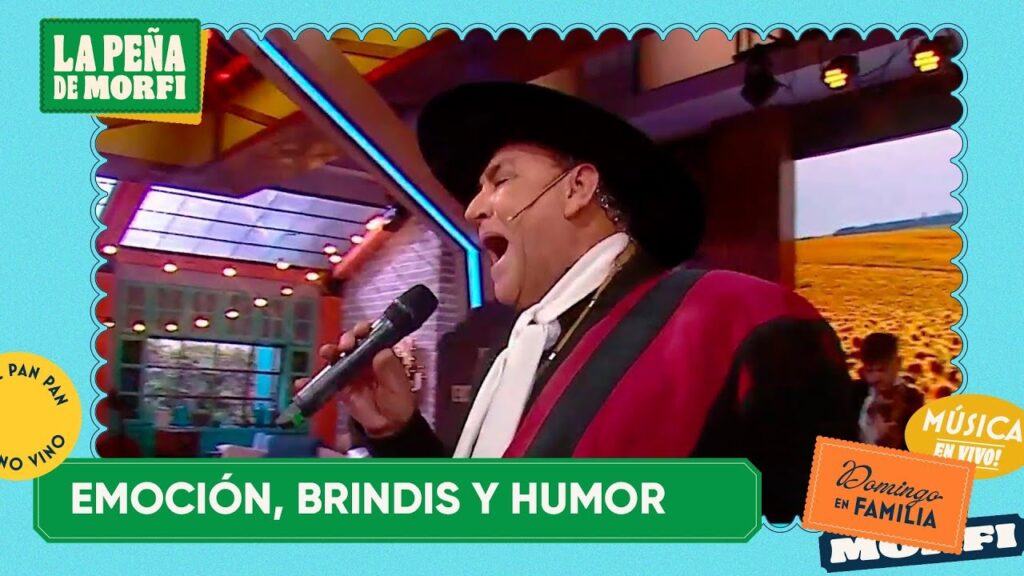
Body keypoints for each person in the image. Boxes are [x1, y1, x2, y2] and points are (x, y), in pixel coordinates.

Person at [298, 82, 859, 522]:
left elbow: (857, 531)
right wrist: (399, 434)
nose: (472, 209)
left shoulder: (737, 317)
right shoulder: (515, 356)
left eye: (499, 180)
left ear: (578, 188)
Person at [856, 333, 925, 449]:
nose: (875, 378)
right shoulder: (854, 394)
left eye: (882, 370)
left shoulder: (913, 401)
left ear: (898, 363)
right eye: (869, 370)